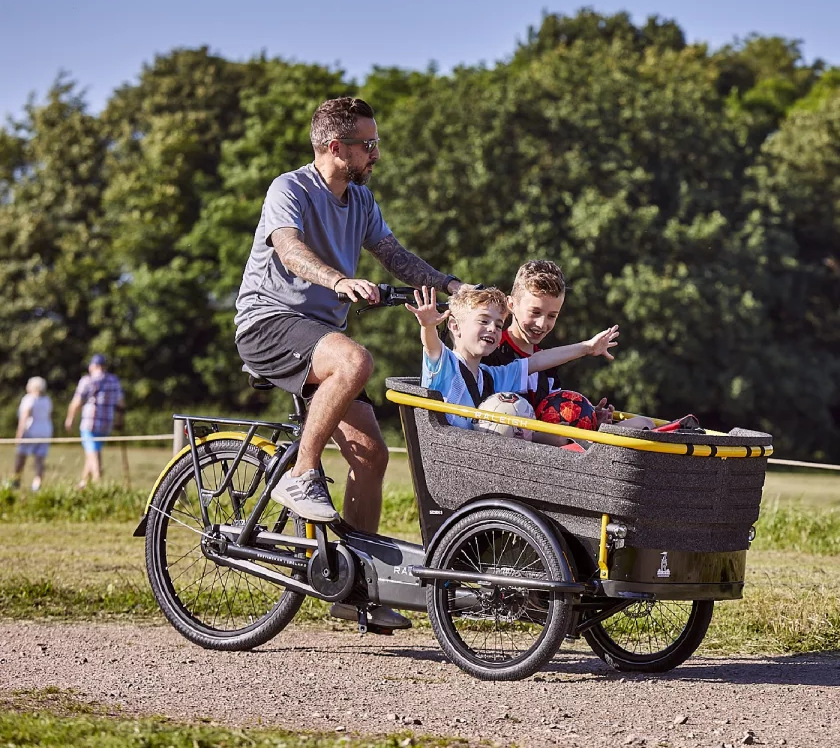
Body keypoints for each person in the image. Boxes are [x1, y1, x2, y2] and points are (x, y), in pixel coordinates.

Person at [233, 96, 462, 631]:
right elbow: (287, 249)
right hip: (268, 322)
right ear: (336, 147)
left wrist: (453, 287)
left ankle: (352, 589)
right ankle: (302, 472)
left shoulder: (359, 200)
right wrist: (337, 281)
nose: (375, 152)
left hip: (316, 336)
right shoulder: (289, 189)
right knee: (356, 360)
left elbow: (395, 254)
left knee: (373, 456)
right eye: (368, 144)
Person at [406, 285, 619, 437]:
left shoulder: (491, 376)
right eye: (483, 321)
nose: (492, 329)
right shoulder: (444, 364)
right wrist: (428, 326)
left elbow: (537, 361)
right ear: (455, 326)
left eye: (499, 325)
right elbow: (431, 346)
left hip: (479, 458)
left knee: (558, 439)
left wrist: (587, 348)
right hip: (451, 458)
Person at [482, 259, 655, 432]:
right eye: (535, 312)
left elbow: (550, 412)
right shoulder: (492, 351)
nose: (542, 324)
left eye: (552, 316)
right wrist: (587, 347)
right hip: (512, 445)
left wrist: (587, 415)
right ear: (511, 305)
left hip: (552, 446)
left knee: (643, 424)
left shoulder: (549, 367)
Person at [64, 355, 124, 488]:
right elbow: (120, 403)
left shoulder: (88, 380)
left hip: (90, 423)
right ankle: (83, 483)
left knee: (92, 453)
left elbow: (77, 402)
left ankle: (98, 482)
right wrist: (119, 420)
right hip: (107, 423)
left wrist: (70, 419)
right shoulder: (114, 380)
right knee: (93, 451)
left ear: (93, 366)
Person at [10, 376, 52, 491]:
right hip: (45, 432)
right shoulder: (47, 400)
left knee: (21, 457)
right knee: (39, 460)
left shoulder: (29, 399)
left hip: (30, 432)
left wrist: (19, 433)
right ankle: (37, 485)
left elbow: (24, 416)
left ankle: (15, 481)